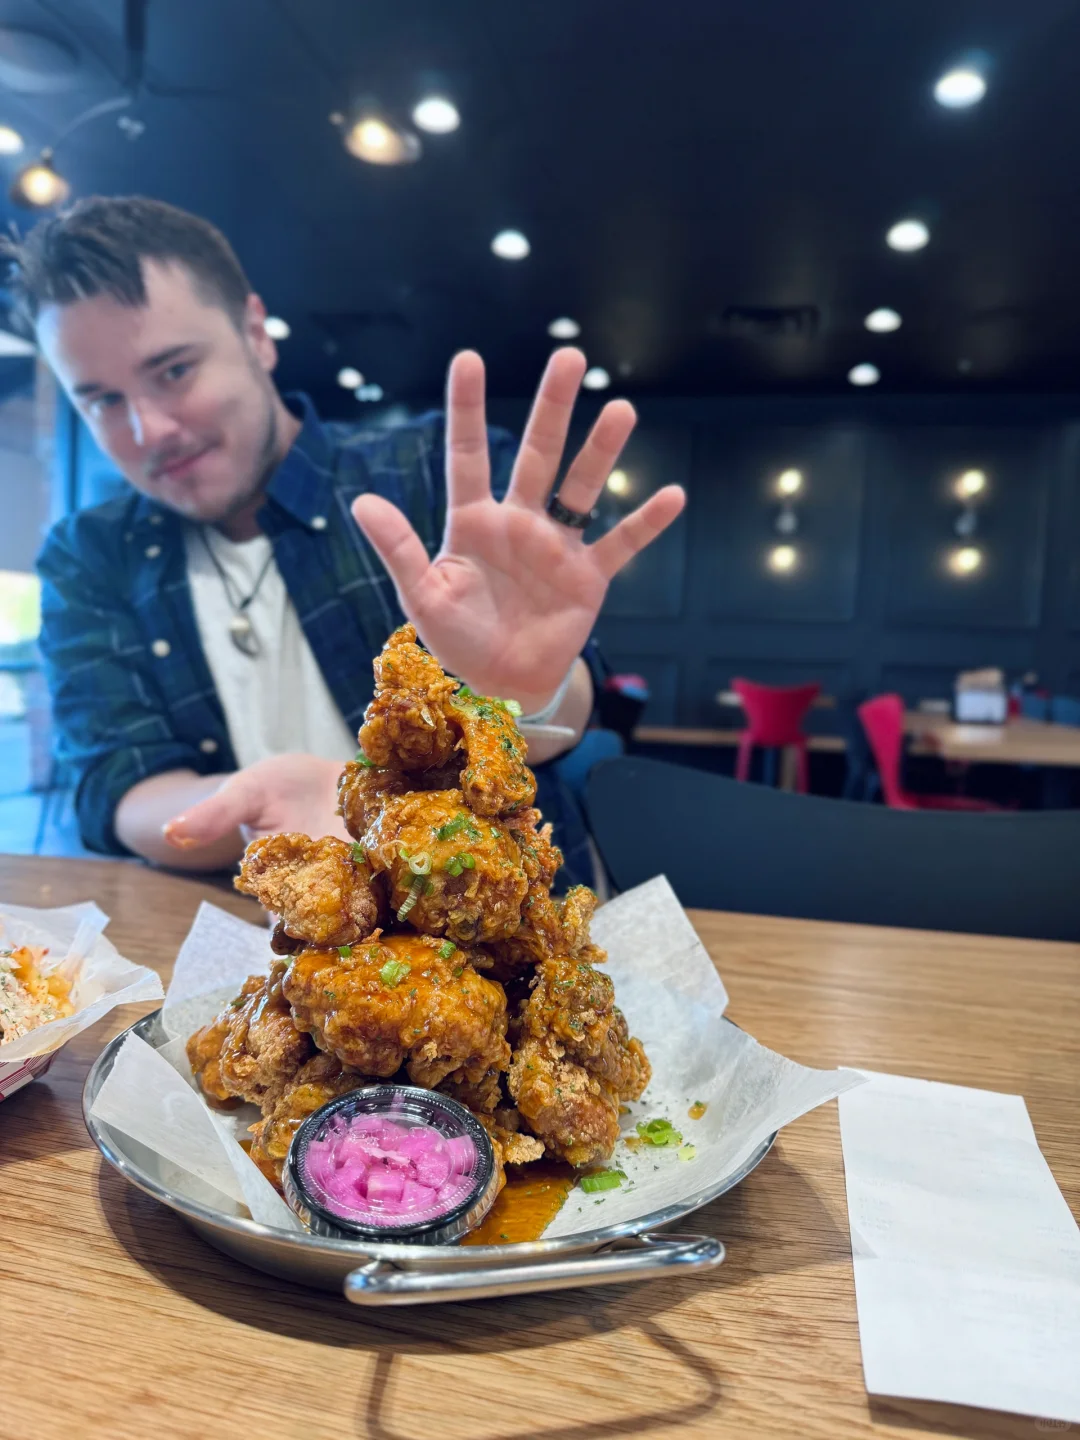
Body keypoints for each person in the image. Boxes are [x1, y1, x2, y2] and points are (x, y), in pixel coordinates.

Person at [6, 196, 684, 882]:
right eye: (102, 401)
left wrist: (520, 694)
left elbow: (569, 709)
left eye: (174, 371)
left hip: (499, 943)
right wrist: (259, 808)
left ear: (255, 333)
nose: (151, 430)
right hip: (244, 951)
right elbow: (118, 785)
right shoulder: (91, 554)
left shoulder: (429, 476)